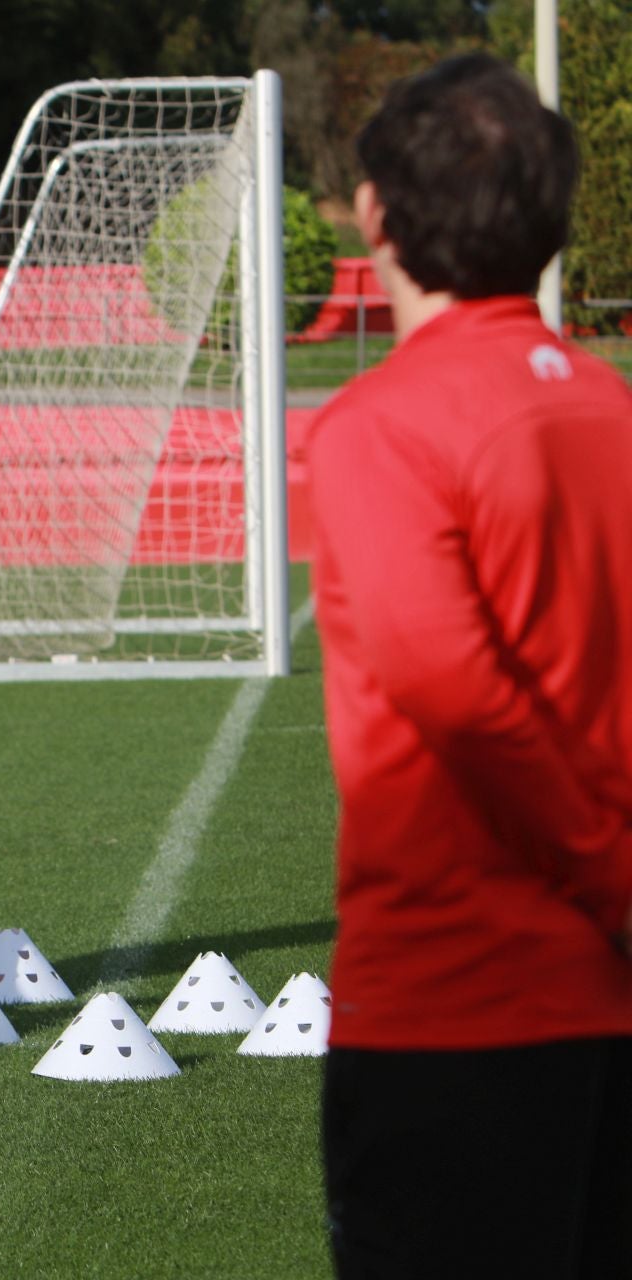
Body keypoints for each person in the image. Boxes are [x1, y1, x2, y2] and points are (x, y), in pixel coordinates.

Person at [307, 53, 632, 1277]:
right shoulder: (608, 405)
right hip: (604, 997)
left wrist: (607, 871)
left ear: (379, 214)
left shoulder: (383, 425)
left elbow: (453, 689)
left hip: (458, 995)